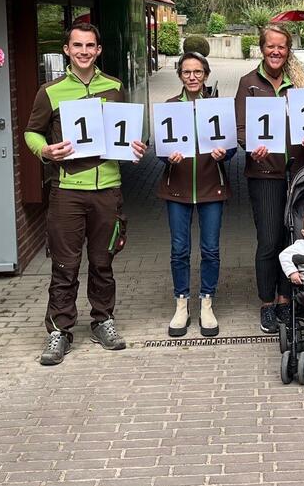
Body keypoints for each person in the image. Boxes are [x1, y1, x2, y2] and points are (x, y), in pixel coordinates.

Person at [24, 23, 146, 365]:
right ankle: (59, 330)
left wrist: (138, 146)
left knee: (103, 262)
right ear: (66, 49)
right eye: (77, 45)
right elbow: (31, 133)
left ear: (98, 50)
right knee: (65, 264)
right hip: (67, 190)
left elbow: (127, 134)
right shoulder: (50, 91)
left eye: (90, 45)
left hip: (108, 188)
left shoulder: (115, 87)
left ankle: (103, 320)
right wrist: (45, 151)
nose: (83, 51)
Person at [235, 24, 304, 334]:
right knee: (270, 240)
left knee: (292, 239)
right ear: (262, 48)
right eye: (270, 46)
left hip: (297, 173)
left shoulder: (299, 83)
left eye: (281, 47)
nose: (276, 51)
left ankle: (286, 300)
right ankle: (267, 304)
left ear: (288, 50)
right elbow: (241, 128)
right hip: (264, 174)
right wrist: (249, 146)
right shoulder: (249, 83)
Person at [158, 52, 233, 337]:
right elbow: (160, 152)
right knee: (180, 250)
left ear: (206, 75)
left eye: (198, 72)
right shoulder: (170, 107)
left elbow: (232, 149)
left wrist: (224, 153)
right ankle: (181, 304)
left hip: (211, 186)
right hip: (176, 188)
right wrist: (168, 157)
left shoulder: (216, 106)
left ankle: (206, 302)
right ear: (179, 75)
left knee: (210, 249)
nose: (192, 77)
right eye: (187, 72)